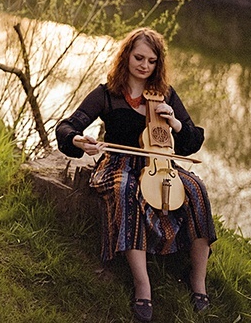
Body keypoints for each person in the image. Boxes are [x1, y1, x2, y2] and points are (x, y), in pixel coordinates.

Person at [55, 28, 216, 322]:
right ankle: (143, 285)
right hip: (118, 164)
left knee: (197, 190)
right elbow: (67, 127)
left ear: (158, 64)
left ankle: (198, 281)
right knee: (127, 191)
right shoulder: (107, 94)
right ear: (126, 56)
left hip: (160, 164)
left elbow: (192, 140)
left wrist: (176, 123)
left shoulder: (164, 94)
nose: (144, 65)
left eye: (152, 61)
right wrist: (79, 141)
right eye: (139, 57)